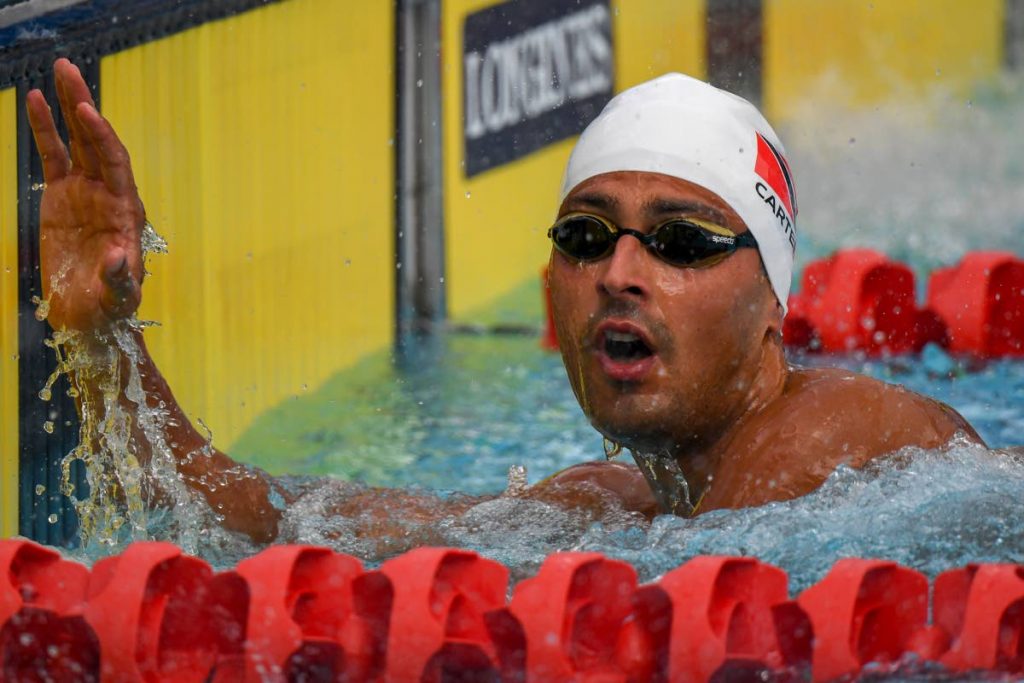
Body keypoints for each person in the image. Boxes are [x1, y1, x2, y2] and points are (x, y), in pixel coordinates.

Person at [25, 59, 982, 544]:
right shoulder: (612, 506)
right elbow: (265, 516)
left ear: (775, 302)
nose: (620, 270)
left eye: (681, 242)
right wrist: (102, 338)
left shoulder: (836, 433)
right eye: (586, 236)